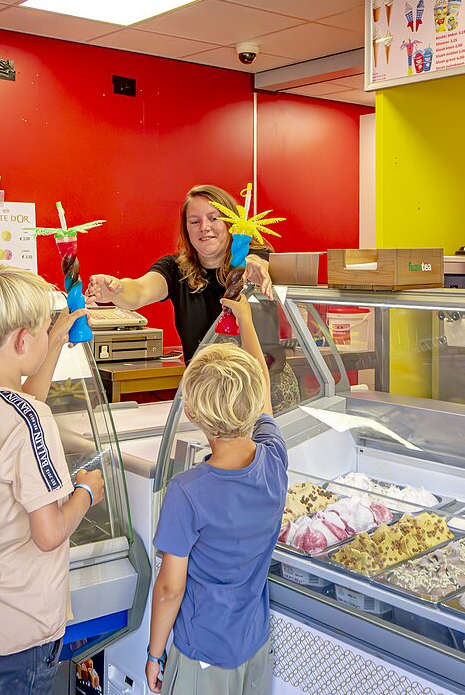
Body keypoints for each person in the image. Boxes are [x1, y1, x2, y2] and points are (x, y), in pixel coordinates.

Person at [0, 265, 106, 695]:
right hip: (27, 624)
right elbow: (50, 533)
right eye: (37, 331)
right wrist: (88, 491)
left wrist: (52, 340)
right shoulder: (31, 421)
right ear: (20, 340)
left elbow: (19, 403)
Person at [145, 296, 287, 695]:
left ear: (191, 413)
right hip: (254, 646)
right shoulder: (274, 456)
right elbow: (263, 390)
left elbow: (170, 589)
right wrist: (246, 322)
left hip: (201, 654)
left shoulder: (187, 493)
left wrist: (156, 653)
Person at [86, 184, 273, 357]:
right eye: (194, 222)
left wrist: (251, 261)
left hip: (262, 382)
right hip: (205, 384)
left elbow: (259, 260)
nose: (204, 227)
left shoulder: (255, 256)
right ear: (186, 229)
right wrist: (117, 289)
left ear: (232, 223)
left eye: (214, 218)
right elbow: (140, 291)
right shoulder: (174, 269)